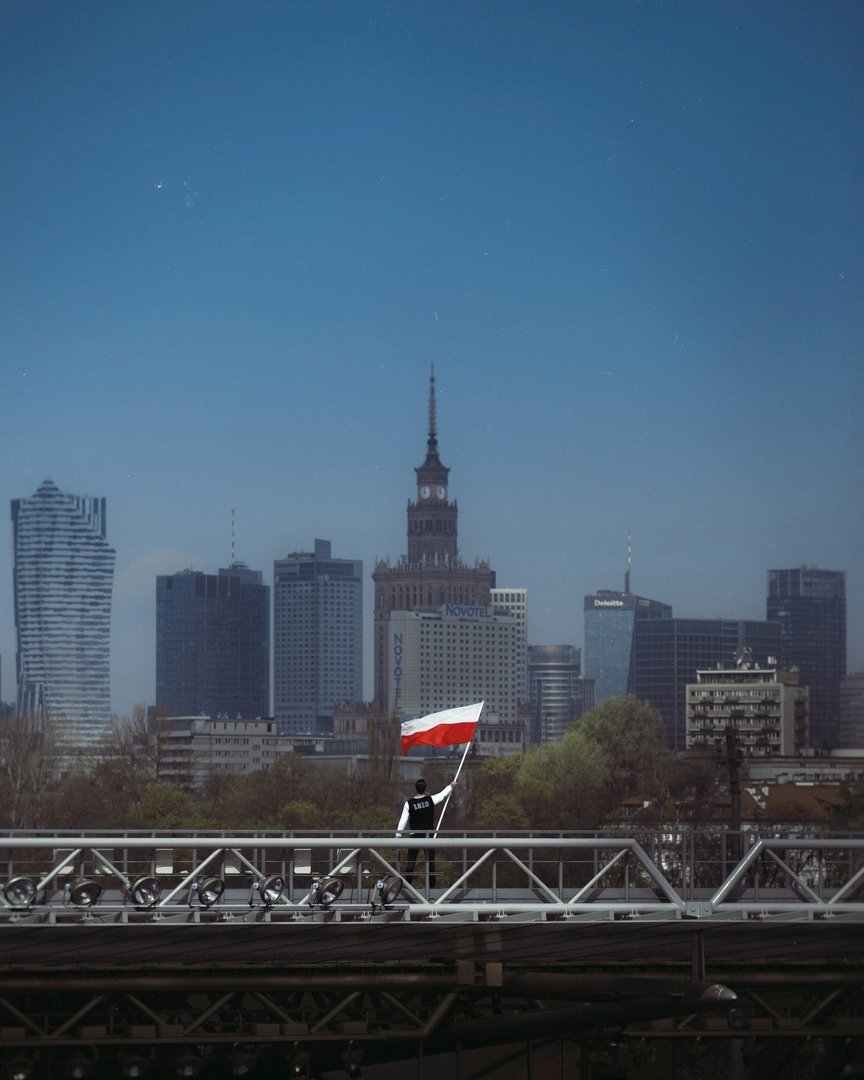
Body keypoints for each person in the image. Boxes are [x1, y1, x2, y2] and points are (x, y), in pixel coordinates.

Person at [395, 777, 456, 888]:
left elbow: (403, 821)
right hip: (428, 836)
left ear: (416, 788)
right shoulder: (430, 800)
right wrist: (451, 786)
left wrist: (398, 836)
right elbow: (442, 795)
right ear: (425, 788)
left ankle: (408, 883)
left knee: (411, 860)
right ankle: (431, 886)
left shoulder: (409, 803)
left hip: (415, 836)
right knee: (430, 862)